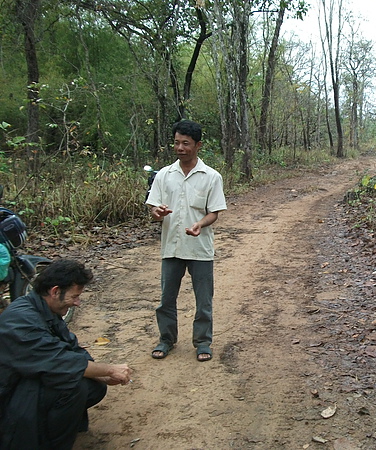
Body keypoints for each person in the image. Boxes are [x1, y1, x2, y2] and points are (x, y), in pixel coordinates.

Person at [0, 259, 133, 449]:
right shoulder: (20, 321)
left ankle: (52, 430)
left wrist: (100, 374)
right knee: (72, 384)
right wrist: (110, 370)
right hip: (10, 395)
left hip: (31, 380)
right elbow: (62, 362)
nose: (77, 303)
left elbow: (71, 346)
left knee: (94, 384)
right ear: (55, 291)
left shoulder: (44, 309)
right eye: (75, 296)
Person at [146, 119, 227, 362]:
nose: (180, 148)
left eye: (186, 143)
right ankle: (166, 339)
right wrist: (156, 212)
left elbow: (214, 211)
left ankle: (203, 342)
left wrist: (200, 224)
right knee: (166, 299)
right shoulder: (164, 175)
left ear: (198, 145)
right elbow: (153, 206)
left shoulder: (211, 176)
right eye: (177, 143)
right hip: (171, 247)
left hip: (200, 248)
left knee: (203, 300)